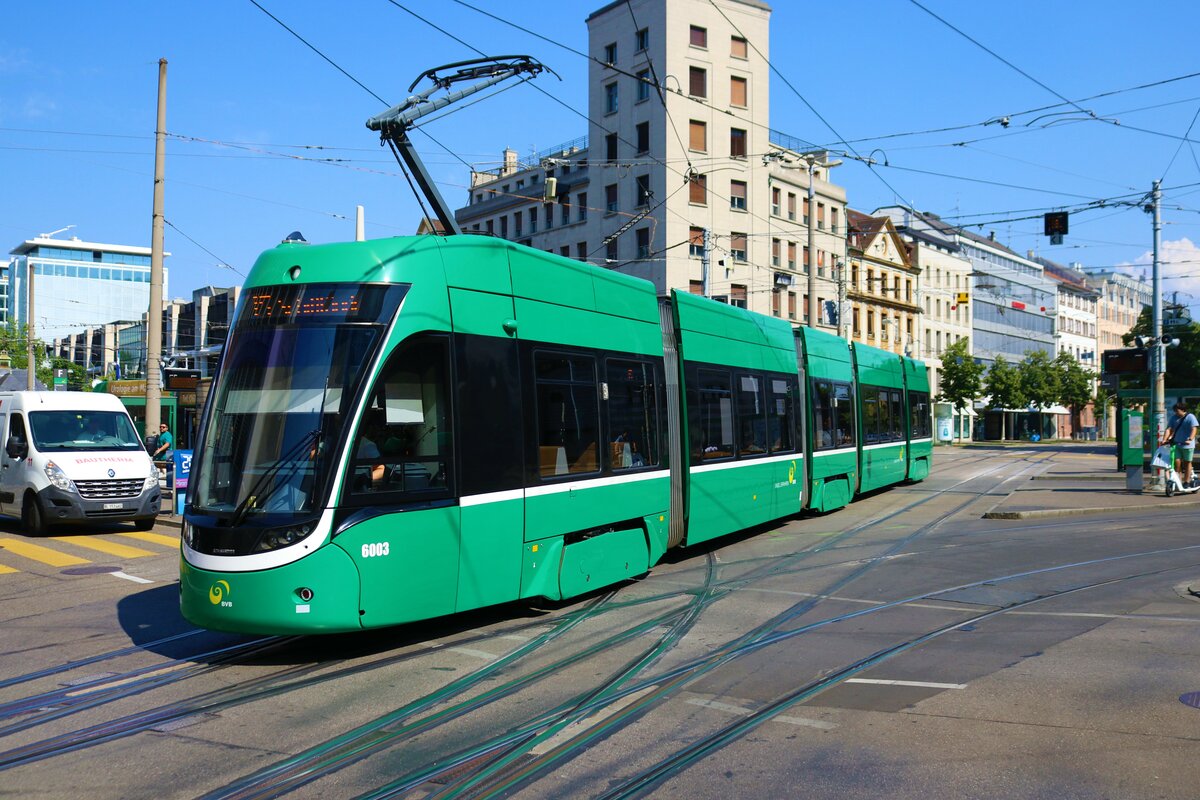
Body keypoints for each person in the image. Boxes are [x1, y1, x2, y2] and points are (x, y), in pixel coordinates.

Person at [1162, 401, 1198, 488]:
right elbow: (1169, 429)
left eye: (1177, 411)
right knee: (1176, 462)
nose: (1176, 413)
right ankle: (1178, 480)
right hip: (1177, 444)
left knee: (1187, 462)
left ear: (1183, 410)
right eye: (1175, 411)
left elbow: (1194, 428)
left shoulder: (1190, 417)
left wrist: (1190, 439)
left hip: (1187, 445)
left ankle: (1186, 481)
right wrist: (1164, 439)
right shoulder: (1174, 418)